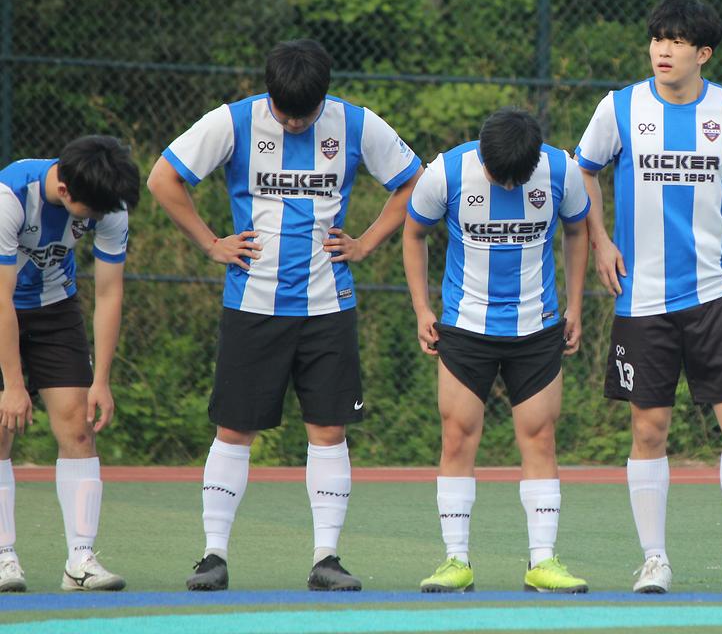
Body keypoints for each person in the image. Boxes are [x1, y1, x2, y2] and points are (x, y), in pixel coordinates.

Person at [147, 39, 421, 592]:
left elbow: (414, 181)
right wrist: (211, 243)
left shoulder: (356, 123)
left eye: (305, 114)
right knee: (234, 429)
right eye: (285, 112)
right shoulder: (234, 121)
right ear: (268, 92)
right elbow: (162, 178)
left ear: (324, 97)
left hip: (328, 306)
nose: (294, 123)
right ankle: (213, 556)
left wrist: (366, 242)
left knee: (329, 430)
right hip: (253, 303)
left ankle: (327, 559)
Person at [575, 0, 722, 595]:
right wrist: (600, 240)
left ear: (704, 53)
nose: (663, 51)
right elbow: (584, 170)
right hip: (642, 297)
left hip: (713, 294)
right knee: (649, 429)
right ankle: (654, 560)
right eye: (657, 39)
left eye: (677, 41)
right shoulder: (620, 107)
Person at [404, 108, 591, 594]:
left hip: (537, 327)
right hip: (466, 328)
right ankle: (456, 561)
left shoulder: (562, 170)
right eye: (497, 176)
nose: (508, 186)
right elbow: (414, 233)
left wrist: (575, 305)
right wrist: (422, 308)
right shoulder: (445, 172)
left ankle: (542, 561)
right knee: (457, 436)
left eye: (517, 179)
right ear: (481, 154)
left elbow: (578, 230)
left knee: (540, 438)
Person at [0, 135, 140, 593]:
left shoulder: (107, 201)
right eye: (91, 213)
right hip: (3, 307)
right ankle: (2, 556)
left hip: (55, 308)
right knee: (1, 427)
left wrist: (102, 379)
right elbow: (1, 297)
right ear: (64, 190)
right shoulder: (9, 197)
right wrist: (13, 384)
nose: (98, 219)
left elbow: (109, 292)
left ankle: (80, 561)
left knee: (79, 429)